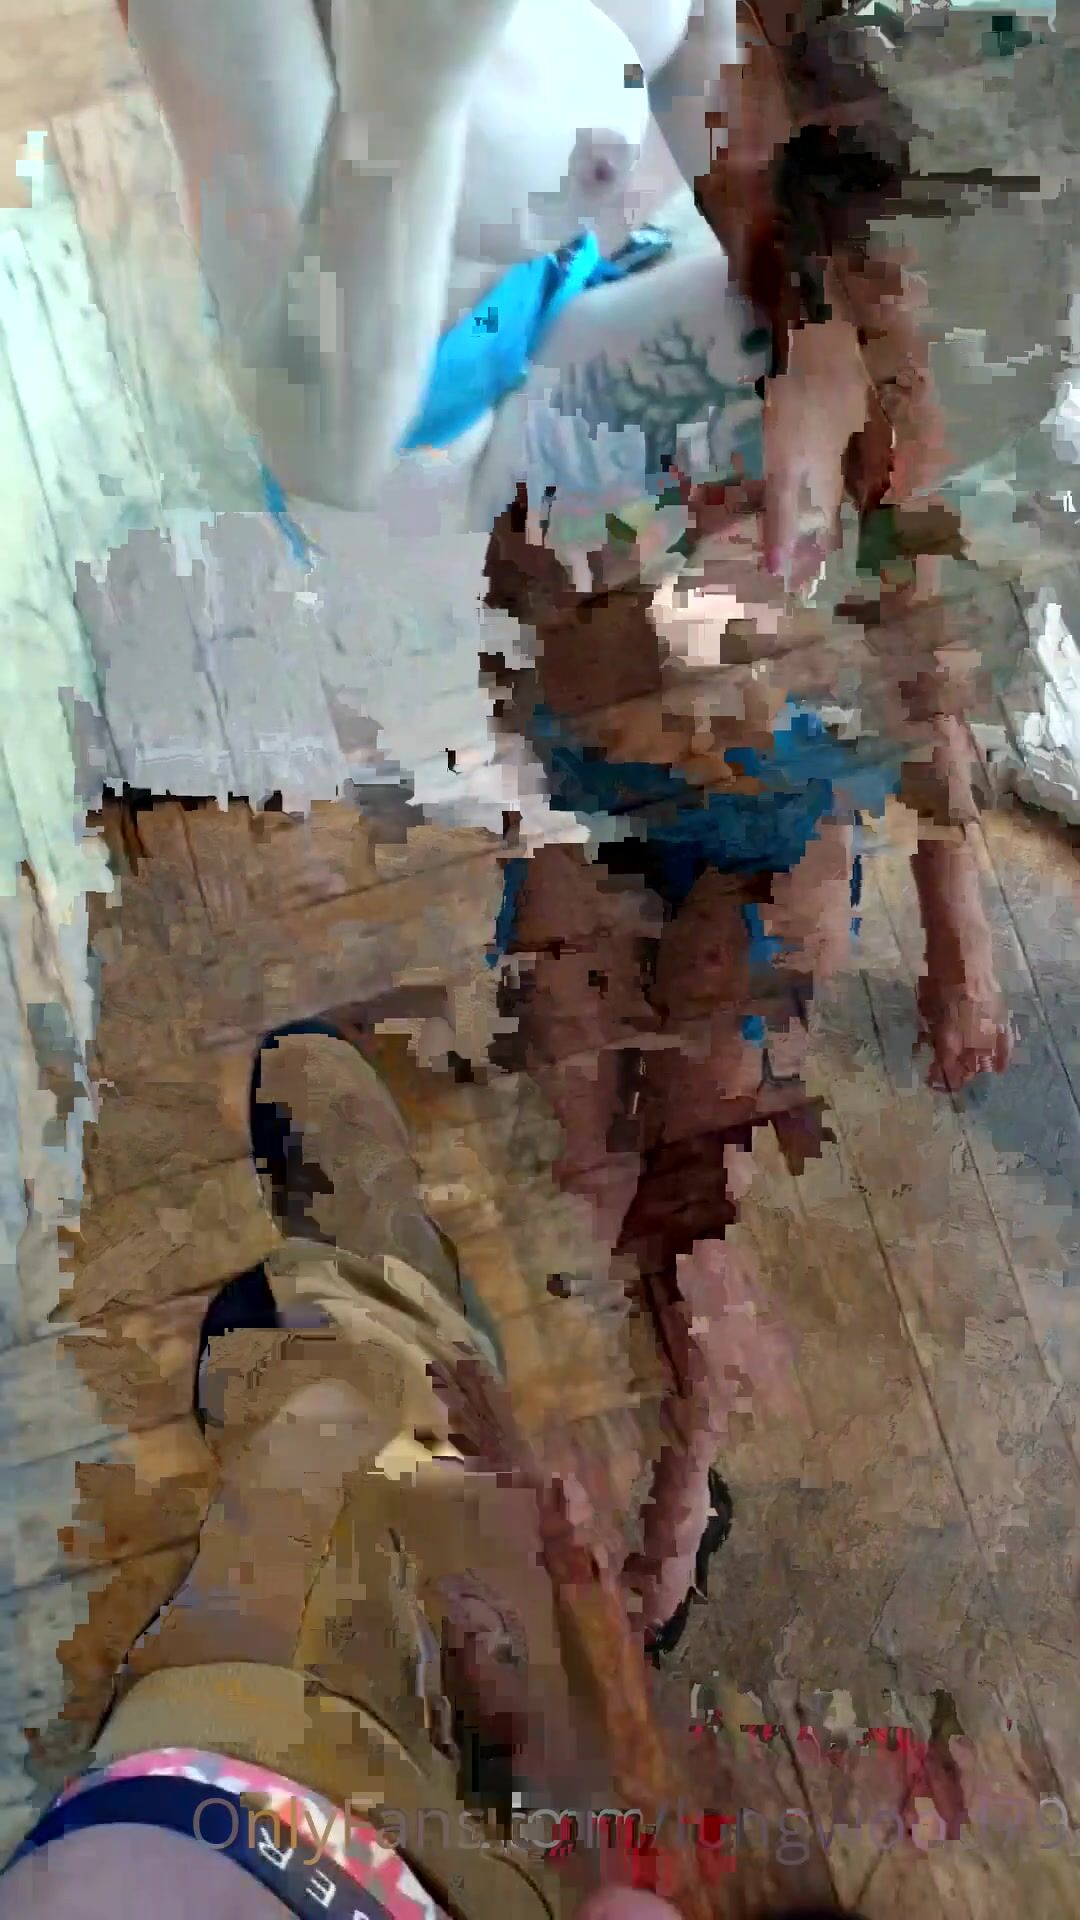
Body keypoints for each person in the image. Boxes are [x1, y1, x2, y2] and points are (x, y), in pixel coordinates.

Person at [0, 1024, 869, 1920]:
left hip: (256, 1784)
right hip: (447, 1872)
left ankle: (359, 1297)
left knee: (361, 1435)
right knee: (496, 1599)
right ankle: (380, 1308)